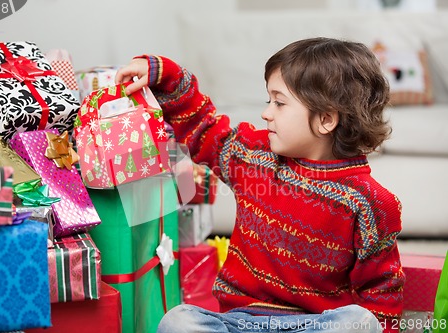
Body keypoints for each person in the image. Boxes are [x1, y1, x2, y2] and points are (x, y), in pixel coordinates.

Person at [115, 37, 404, 333]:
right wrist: (168, 77)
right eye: (270, 102)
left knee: (360, 323)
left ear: (326, 119)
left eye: (279, 103)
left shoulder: (371, 202)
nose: (267, 113)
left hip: (312, 325)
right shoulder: (255, 156)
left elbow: (381, 289)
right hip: (237, 321)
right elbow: (204, 129)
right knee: (178, 320)